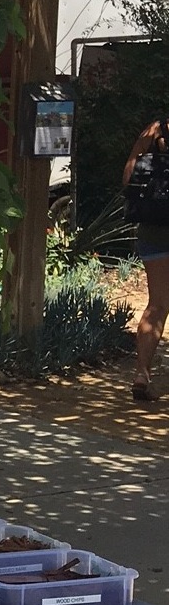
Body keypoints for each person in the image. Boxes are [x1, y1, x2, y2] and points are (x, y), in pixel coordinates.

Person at [123, 116, 169, 401]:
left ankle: (142, 373)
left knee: (157, 304)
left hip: (153, 229)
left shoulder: (153, 130)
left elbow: (128, 177)